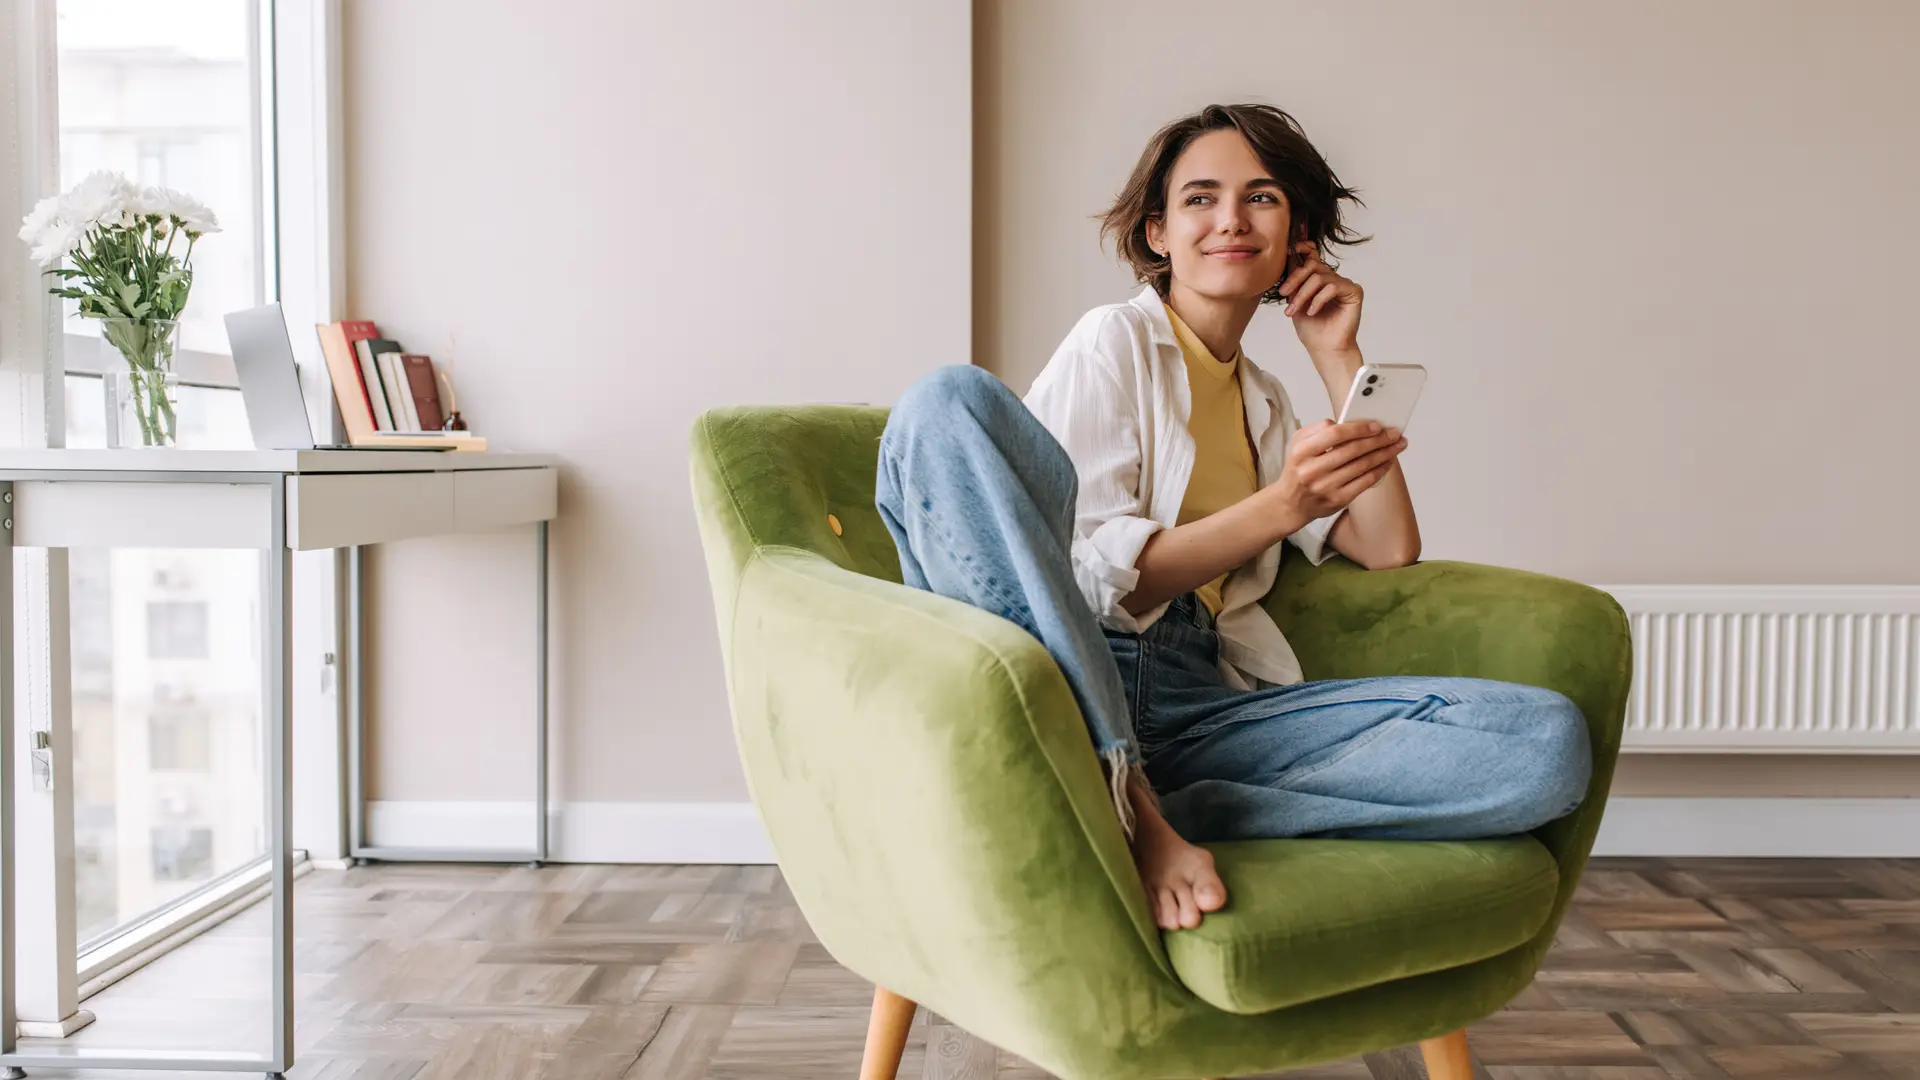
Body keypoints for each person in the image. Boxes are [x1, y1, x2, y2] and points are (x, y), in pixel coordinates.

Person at [875, 103, 1590, 933]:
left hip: (1201, 704)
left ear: (1297, 239)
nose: (1230, 220)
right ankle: (1132, 806)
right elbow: (1096, 580)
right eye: (1200, 199)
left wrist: (1337, 355)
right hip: (1075, 670)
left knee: (1543, 742)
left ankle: (1177, 805)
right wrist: (1280, 505)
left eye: (1262, 198)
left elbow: (1389, 546)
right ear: (1158, 233)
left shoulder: (1264, 402)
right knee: (946, 399)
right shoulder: (1115, 342)